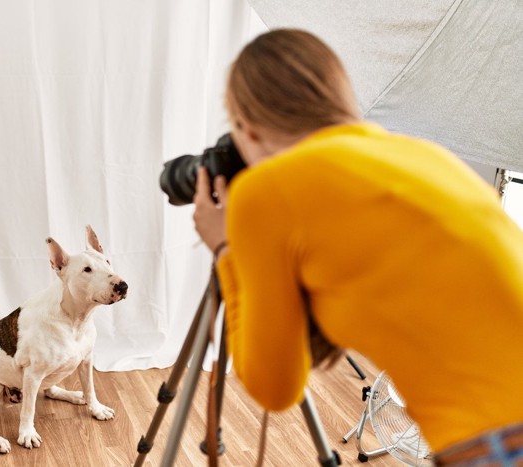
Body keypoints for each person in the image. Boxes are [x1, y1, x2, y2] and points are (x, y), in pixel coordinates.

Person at [192, 28, 523, 466]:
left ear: (246, 129)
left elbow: (274, 388)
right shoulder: (425, 157)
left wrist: (226, 249)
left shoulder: (266, 191)